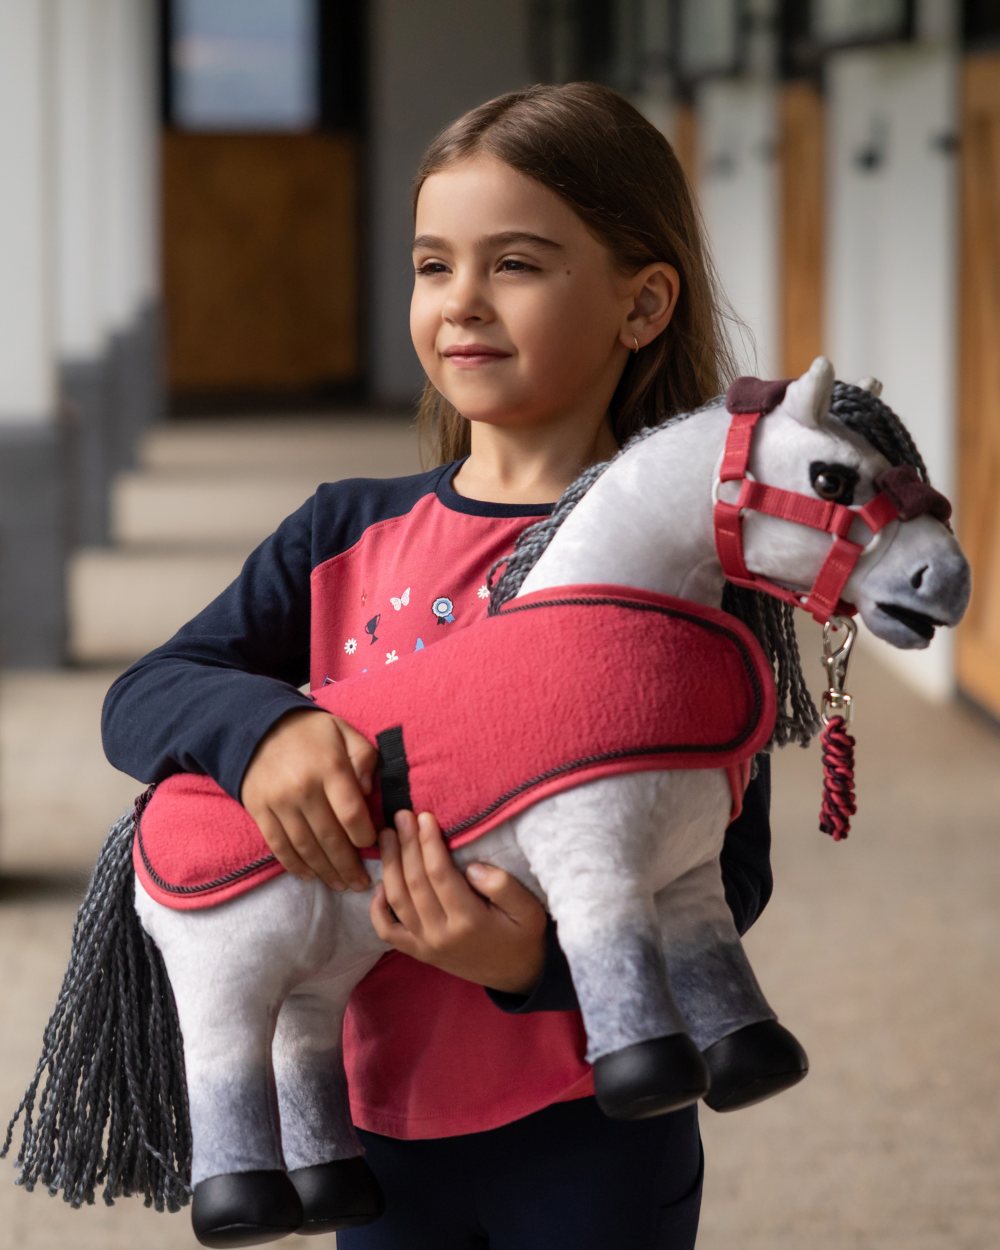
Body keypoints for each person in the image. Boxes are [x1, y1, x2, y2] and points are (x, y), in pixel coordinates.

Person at [102, 82, 773, 1249]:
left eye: (513, 263)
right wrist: (265, 731)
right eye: (431, 265)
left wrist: (528, 961)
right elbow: (144, 694)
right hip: (373, 1129)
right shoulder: (342, 531)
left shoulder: (688, 576)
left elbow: (727, 869)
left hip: (594, 1120)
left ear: (642, 303)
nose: (460, 300)